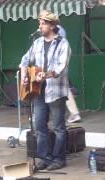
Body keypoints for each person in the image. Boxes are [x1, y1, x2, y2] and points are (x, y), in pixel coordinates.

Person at [19, 10, 71, 171]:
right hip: (38, 91)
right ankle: (45, 157)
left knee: (58, 128)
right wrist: (24, 76)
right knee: (39, 125)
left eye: (43, 23)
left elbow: (60, 68)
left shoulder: (63, 44)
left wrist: (45, 75)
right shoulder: (37, 43)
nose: (40, 26)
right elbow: (25, 60)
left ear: (52, 25)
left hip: (55, 91)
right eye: (39, 23)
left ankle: (59, 159)